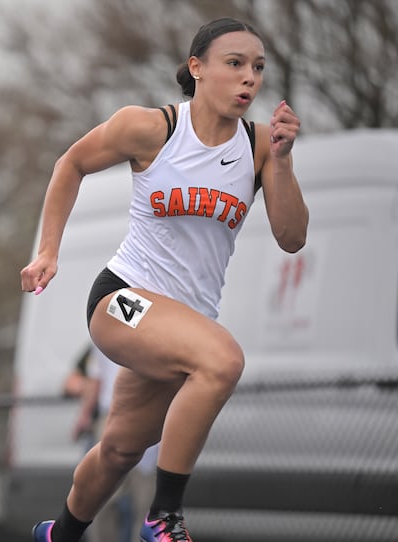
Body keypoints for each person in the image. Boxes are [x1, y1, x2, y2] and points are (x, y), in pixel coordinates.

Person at [21, 17, 308, 542]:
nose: (250, 79)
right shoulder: (152, 128)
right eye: (235, 64)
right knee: (223, 360)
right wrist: (48, 251)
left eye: (259, 68)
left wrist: (284, 164)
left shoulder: (261, 145)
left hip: (183, 325)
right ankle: (165, 516)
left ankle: (57, 534)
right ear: (197, 68)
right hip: (122, 300)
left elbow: (292, 238)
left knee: (120, 450)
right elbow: (71, 163)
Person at [72, 344, 157, 542]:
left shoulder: (109, 322)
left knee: (142, 501)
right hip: (120, 416)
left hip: (138, 416)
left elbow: (95, 379)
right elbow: (95, 377)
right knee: (107, 496)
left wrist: (84, 416)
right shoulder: (110, 324)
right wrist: (85, 416)